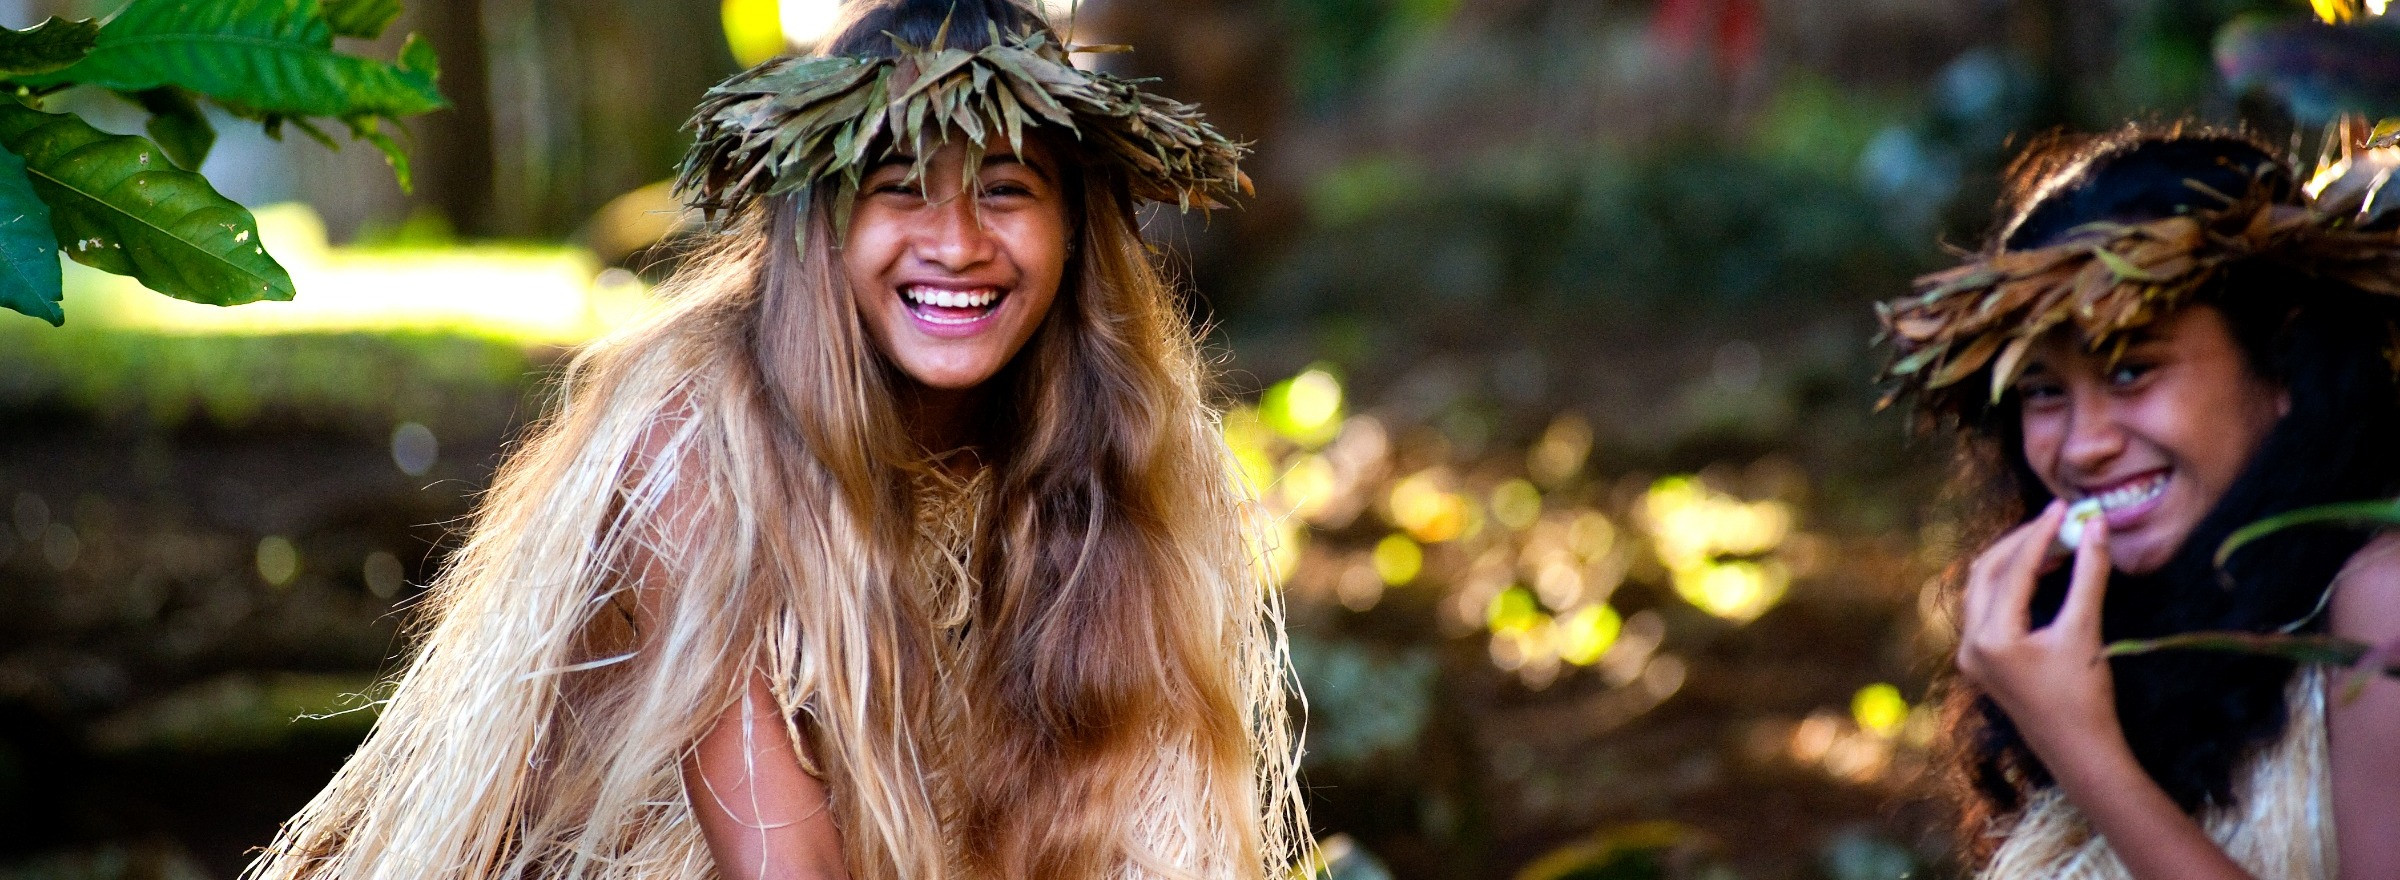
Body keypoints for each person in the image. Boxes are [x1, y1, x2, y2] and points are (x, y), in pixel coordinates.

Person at [241, 2, 1306, 878]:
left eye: (1005, 191)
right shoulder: (695, 443)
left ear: (1073, 229)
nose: (956, 243)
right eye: (899, 189)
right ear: (823, 222)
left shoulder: (1137, 448)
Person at [1875, 128, 2400, 880]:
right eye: (2044, 392)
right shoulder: (2116, 618)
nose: (2083, 445)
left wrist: (2085, 751)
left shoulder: (2383, 601)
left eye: (2131, 372)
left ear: (2285, 363)